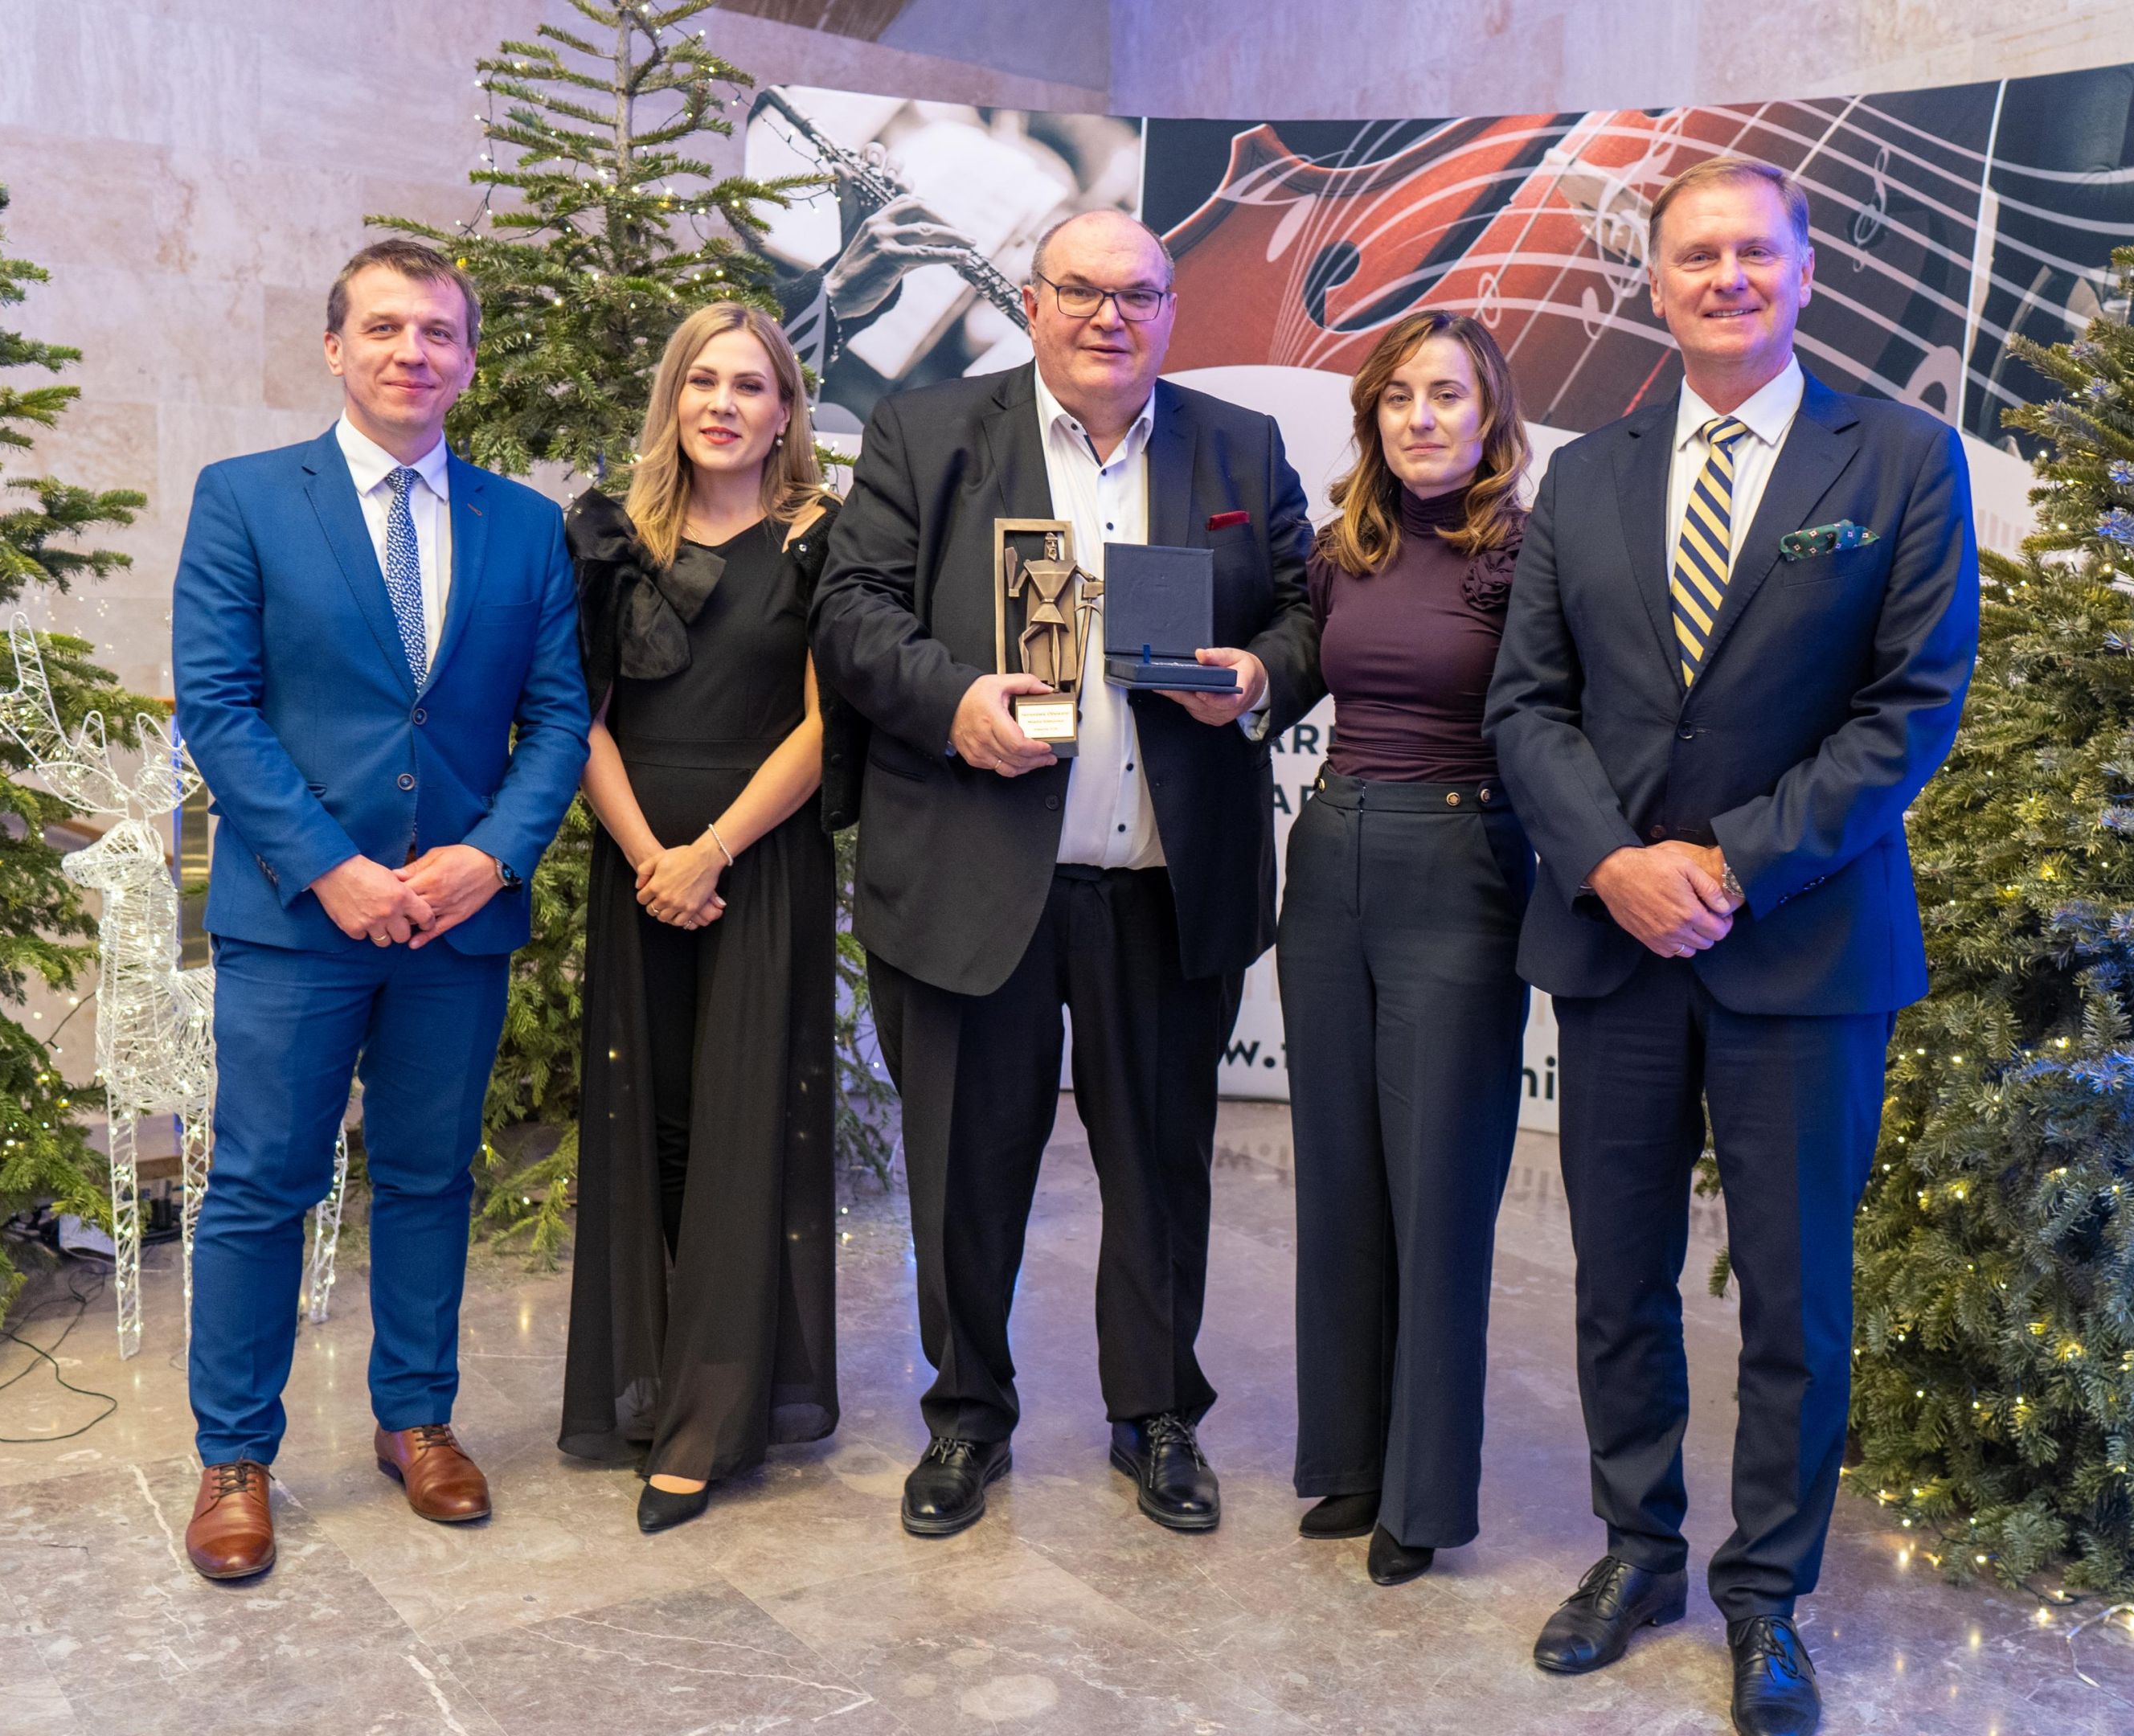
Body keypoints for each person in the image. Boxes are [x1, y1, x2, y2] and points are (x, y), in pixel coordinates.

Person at [1484, 158, 1976, 1736]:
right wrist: (1613, 862)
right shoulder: (1586, 475)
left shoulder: (1899, 458)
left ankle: (1768, 1596)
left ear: (1805, 270)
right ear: (1655, 282)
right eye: (1697, 255)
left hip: (1806, 950)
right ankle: (1639, 1551)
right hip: (1617, 943)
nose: (1727, 277)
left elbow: (1911, 708)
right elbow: (1527, 705)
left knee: (1794, 1296)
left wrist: (1733, 863)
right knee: (1616, 1276)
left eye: (1756, 251)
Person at [813, 209, 1319, 1538]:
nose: (1110, 316)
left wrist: (1259, 673)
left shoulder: (1238, 446)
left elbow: (1306, 610)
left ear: (1170, 312)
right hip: (974, 873)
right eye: (1081, 291)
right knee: (965, 1167)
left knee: (1161, 1168)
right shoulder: (930, 433)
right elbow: (852, 611)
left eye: (1138, 295)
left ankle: (1156, 1417)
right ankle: (967, 1416)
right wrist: (951, 702)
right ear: (1031, 303)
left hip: (1162, 881)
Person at [171, 240, 591, 1580]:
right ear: (336, 346)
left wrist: (493, 858)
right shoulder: (245, 499)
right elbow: (218, 707)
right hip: (298, 921)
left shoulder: (525, 525)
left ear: (468, 360)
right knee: (260, 1186)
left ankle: (416, 1419)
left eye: (440, 333)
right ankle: (235, 1457)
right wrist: (331, 867)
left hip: (456, 926)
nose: (414, 352)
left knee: (427, 1178)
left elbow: (560, 720)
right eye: (387, 327)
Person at [557, 304, 842, 1533]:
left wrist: (711, 851)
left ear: (785, 412)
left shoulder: (824, 539)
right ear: (672, 401)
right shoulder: (610, 538)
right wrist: (649, 859)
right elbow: (579, 719)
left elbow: (829, 727)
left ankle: (710, 1418)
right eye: (702, 382)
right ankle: (652, 1381)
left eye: (751, 385)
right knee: (653, 1122)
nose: (723, 404)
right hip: (640, 865)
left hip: (759, 861)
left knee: (742, 1128)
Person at [1280, 311, 1533, 1588]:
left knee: (1438, 1189)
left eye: (1447, 395)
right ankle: (1352, 1458)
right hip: (1328, 860)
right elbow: (1286, 671)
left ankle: (1425, 1494)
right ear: (1371, 418)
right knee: (1337, 1174)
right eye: (1398, 398)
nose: (1421, 418)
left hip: (1460, 865)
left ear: (1491, 418)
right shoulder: (1343, 553)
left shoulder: (1527, 557)